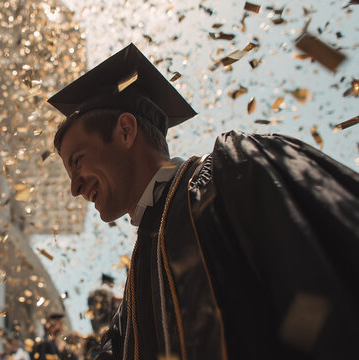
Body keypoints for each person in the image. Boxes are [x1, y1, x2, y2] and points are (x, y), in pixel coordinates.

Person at [48, 43, 359, 360]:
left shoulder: (234, 172)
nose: (74, 187)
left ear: (126, 131)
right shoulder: (134, 296)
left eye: (78, 161)